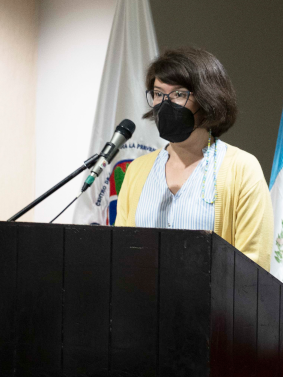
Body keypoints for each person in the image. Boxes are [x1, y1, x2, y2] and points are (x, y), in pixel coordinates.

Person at [115, 47, 273, 270]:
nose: (165, 103)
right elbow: (121, 253)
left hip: (214, 305)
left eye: (179, 94)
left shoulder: (242, 169)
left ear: (208, 99)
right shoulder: (137, 170)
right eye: (159, 94)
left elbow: (254, 266)